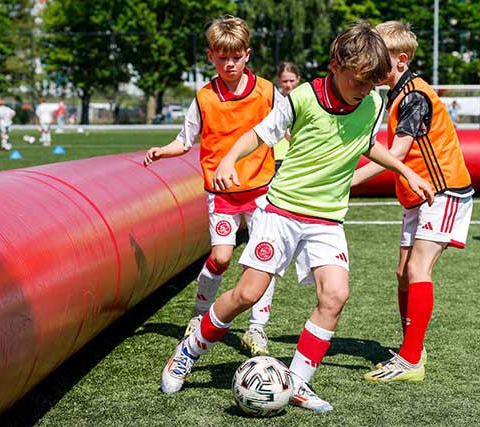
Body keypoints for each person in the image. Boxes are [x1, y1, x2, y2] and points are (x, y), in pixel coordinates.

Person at [159, 21, 434, 412]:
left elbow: (368, 144)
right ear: (336, 66)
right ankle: (188, 351)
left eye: (372, 83)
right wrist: (230, 159)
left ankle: (299, 381)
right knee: (246, 294)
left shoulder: (373, 103)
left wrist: (405, 170)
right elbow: (258, 134)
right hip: (282, 212)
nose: (364, 90)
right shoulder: (302, 97)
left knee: (335, 295)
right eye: (358, 81)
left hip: (328, 219)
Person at [143, 16, 279, 354]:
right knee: (220, 257)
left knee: (262, 259)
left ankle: (257, 329)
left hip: (262, 190)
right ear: (211, 56)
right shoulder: (204, 97)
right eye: (222, 57)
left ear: (247, 54)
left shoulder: (267, 91)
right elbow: (184, 139)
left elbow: (287, 126)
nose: (229, 63)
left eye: (236, 57)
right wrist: (164, 151)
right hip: (222, 195)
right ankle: (200, 313)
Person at [350, 21, 474, 383]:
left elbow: (397, 154)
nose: (370, 63)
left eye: (378, 56)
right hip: (417, 195)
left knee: (419, 268)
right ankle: (412, 347)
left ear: (401, 60)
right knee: (403, 271)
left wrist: (349, 181)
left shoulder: (414, 96)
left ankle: (410, 360)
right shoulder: (395, 94)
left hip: (443, 190)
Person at [236, 61, 302, 357]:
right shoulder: (274, 101)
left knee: (268, 250)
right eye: (284, 81)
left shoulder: (302, 102)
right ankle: (203, 321)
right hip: (267, 168)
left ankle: (256, 325)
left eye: (292, 80)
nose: (288, 85)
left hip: (291, 168)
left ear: (298, 80)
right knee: (256, 251)